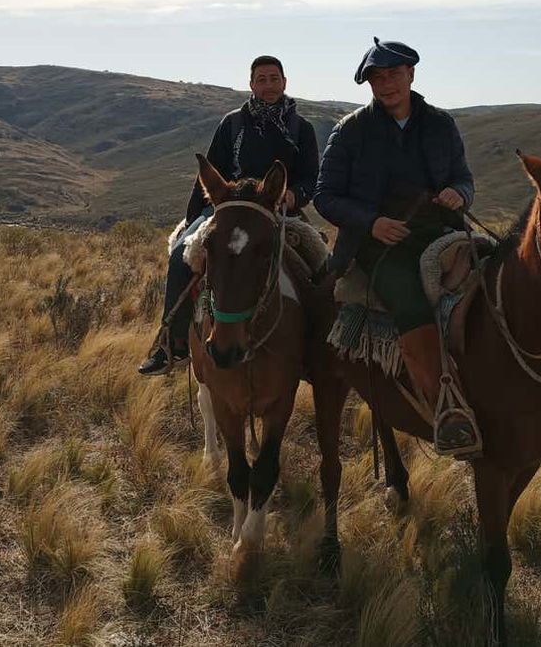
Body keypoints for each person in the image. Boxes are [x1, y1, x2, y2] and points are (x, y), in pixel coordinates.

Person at [314, 37, 479, 457]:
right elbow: (325, 195)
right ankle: (445, 407)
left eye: (393, 74)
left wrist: (459, 194)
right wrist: (372, 222)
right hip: (380, 244)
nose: (385, 84)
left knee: (491, 276)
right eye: (376, 77)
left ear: (411, 74)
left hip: (439, 230)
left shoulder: (440, 123)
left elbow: (463, 177)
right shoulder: (350, 130)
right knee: (408, 295)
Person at [137, 55, 320, 375]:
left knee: (320, 263)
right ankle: (172, 344)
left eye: (274, 78)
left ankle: (319, 349)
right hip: (226, 208)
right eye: (261, 79)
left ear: (284, 83)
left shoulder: (300, 127)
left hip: (277, 210)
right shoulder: (233, 123)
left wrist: (294, 195)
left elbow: (310, 177)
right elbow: (209, 172)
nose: (268, 85)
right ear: (251, 85)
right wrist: (192, 221)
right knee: (181, 256)